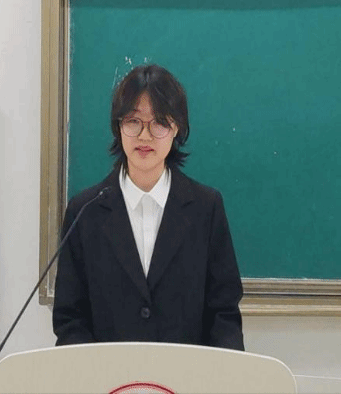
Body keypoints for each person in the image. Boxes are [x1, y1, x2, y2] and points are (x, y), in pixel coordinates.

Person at [53, 64, 244, 351]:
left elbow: (223, 315)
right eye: (133, 121)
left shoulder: (206, 208)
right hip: (107, 375)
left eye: (159, 122)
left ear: (176, 128)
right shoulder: (85, 211)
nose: (144, 136)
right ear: (118, 126)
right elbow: (70, 319)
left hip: (187, 374)